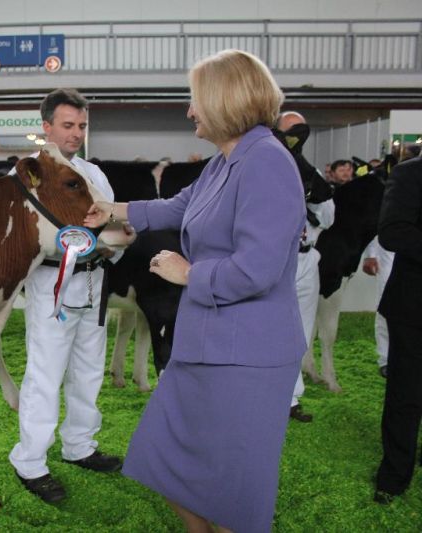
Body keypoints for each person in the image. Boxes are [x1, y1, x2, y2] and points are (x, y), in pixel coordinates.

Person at [85, 50, 305, 532]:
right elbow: (180, 206)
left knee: (231, 491)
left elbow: (259, 268)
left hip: (247, 354)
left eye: (195, 99)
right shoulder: (225, 162)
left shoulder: (267, 161)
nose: (189, 110)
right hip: (205, 343)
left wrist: (190, 273)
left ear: (225, 101)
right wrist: (114, 209)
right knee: (163, 456)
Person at [9, 88, 122, 504]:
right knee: (46, 372)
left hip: (95, 280)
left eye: (82, 126)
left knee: (90, 368)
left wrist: (110, 244)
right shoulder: (24, 177)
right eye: (68, 125)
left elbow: (111, 224)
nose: (76, 133)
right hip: (51, 283)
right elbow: (26, 237)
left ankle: (79, 445)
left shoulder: (95, 174)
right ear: (47, 127)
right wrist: (85, 242)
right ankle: (30, 461)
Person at [276, 111, 336, 423]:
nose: (292, 139)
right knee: (271, 329)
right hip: (276, 259)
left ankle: (291, 398)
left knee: (301, 331)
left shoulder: (309, 173)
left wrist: (310, 197)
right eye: (288, 132)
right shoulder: (269, 171)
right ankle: (266, 395)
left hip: (307, 257)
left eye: (297, 132)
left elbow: (328, 216)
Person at [373, 153, 422, 505]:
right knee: (406, 393)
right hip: (414, 306)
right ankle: (393, 476)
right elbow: (392, 232)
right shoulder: (408, 174)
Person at [362, 237, 394, 378]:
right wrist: (370, 254)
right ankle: (386, 360)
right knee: (386, 303)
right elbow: (376, 221)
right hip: (390, 251)